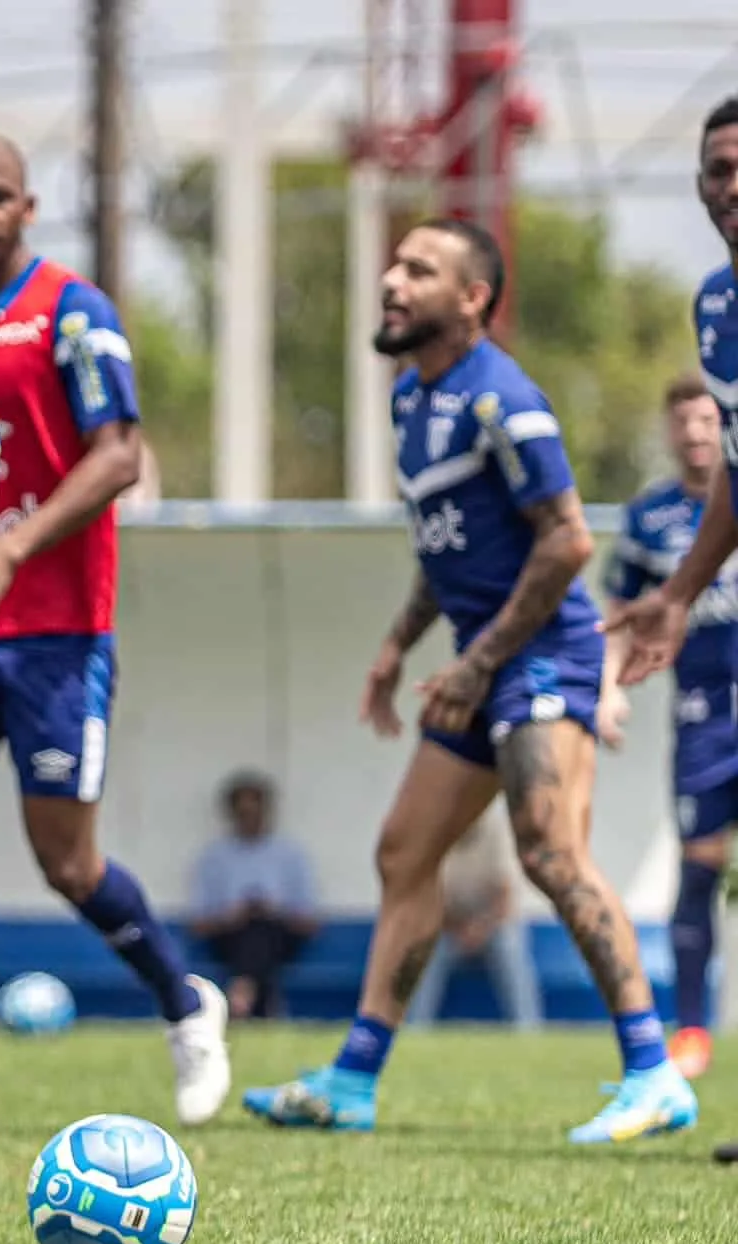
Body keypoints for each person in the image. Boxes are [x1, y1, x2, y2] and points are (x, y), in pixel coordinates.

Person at [242, 216, 698, 1144]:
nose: (392, 280)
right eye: (393, 265)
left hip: (545, 657)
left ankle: (654, 1074)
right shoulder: (412, 400)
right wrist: (397, 645)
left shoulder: (504, 401)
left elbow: (568, 541)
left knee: (549, 853)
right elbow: (445, 548)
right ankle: (353, 1081)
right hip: (480, 661)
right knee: (405, 853)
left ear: (473, 298)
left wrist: (478, 661)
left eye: (419, 269)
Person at [0, 132, 229, 1140]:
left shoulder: (71, 311)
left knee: (67, 861)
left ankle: (186, 1005)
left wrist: (14, 546)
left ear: (26, 208)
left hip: (58, 633)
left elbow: (118, 456)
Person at [609, 94, 738, 1163]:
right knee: (703, 859)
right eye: (716, 169)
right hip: (706, 690)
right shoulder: (715, 306)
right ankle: (691, 1029)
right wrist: (679, 592)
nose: (729, 186)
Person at [600, 373, 738, 1078]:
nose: (695, 433)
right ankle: (691, 1033)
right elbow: (618, 613)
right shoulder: (650, 518)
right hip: (704, 719)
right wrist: (606, 691)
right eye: (682, 422)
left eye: (707, 420)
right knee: (699, 870)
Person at [187, 770, 319, 1021]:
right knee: (252, 933)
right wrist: (232, 916)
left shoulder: (290, 854)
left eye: (255, 812)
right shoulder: (214, 857)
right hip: (228, 937)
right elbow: (199, 925)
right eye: (243, 813)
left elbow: (310, 923)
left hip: (281, 936)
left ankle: (242, 993)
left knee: (262, 930)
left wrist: (273, 911)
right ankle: (258, 1002)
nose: (249, 820)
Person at [405, 802, 542, 1030]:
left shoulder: (496, 830)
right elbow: (429, 899)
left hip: (492, 923)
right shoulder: (433, 838)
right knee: (424, 948)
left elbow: (504, 896)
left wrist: (479, 929)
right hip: (450, 926)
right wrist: (459, 929)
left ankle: (528, 1028)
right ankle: (416, 1028)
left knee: (510, 945)